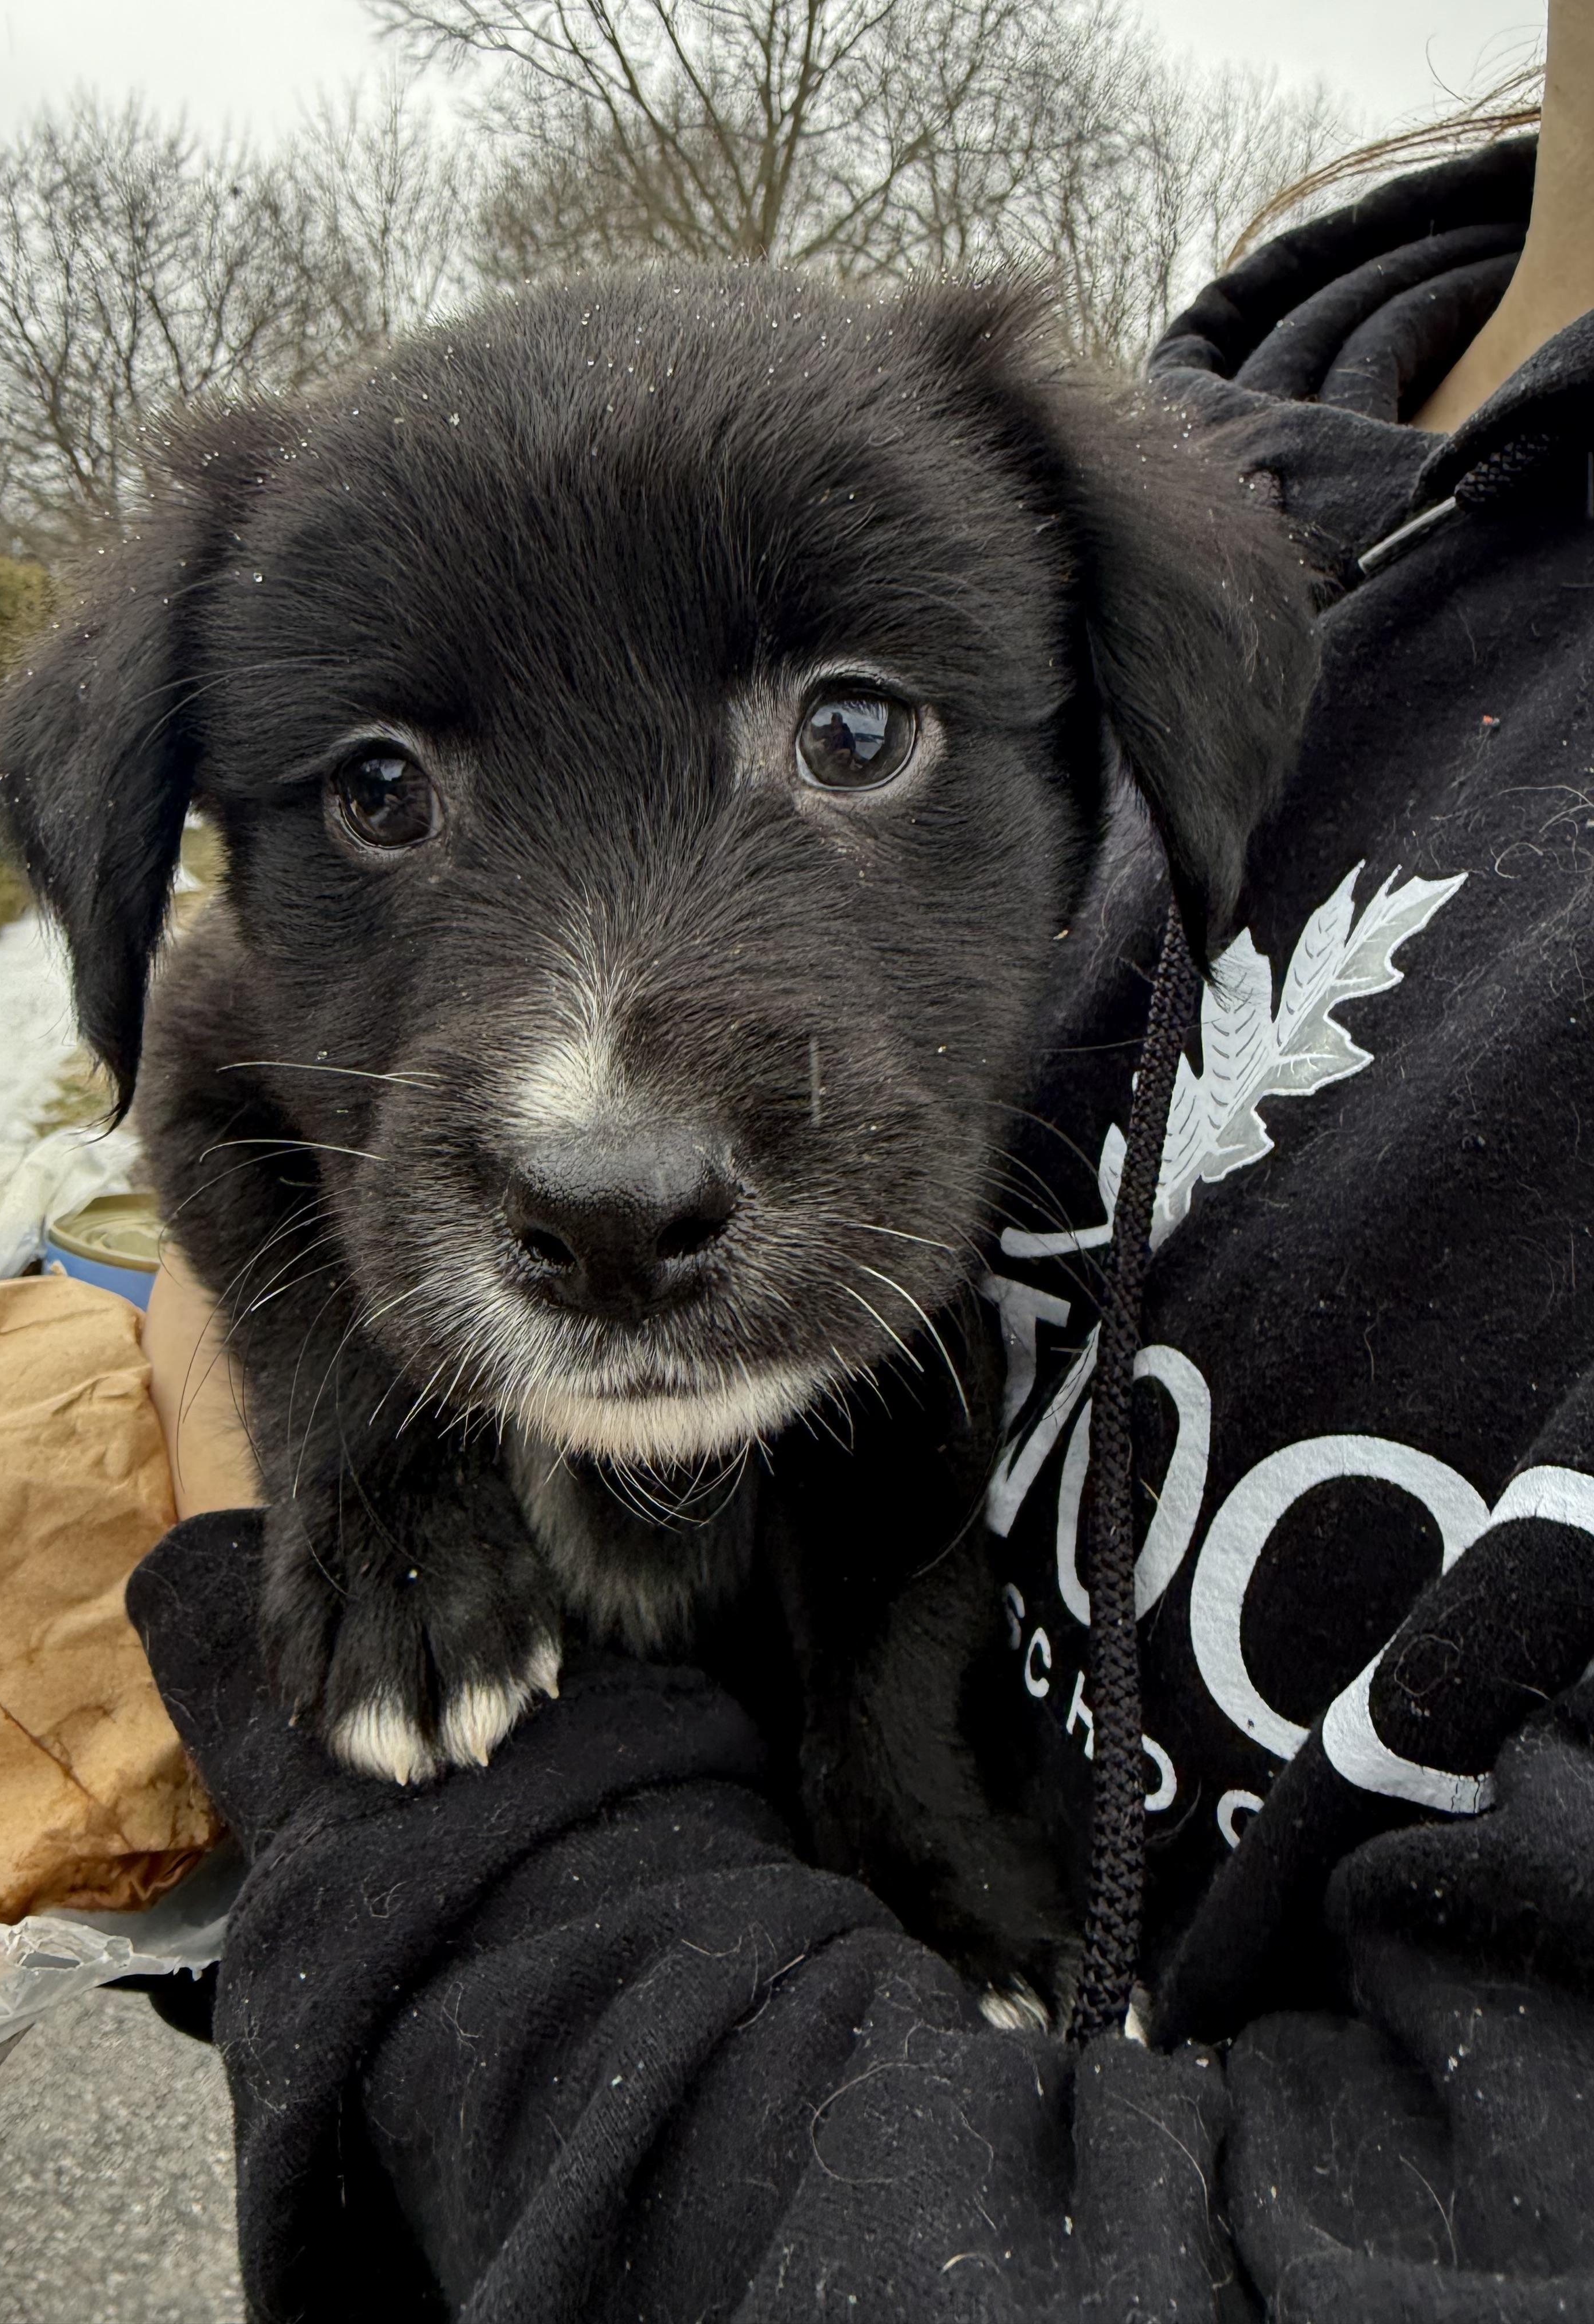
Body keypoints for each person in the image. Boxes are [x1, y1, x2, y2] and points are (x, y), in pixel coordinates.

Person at [133, 6, 1594, 2312]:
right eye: (387, 794)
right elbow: (206, 1072)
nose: (596, 1112)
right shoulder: (1188, 427)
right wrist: (347, 1461)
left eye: (851, 732)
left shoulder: (1090, 541)